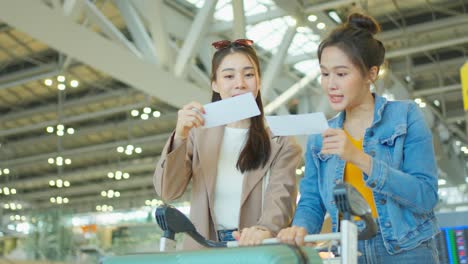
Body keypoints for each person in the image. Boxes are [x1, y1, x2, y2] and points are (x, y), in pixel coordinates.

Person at [277, 13, 439, 263]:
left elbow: (425, 197)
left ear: (371, 74)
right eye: (324, 73)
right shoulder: (320, 138)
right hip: (349, 251)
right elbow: (311, 202)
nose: (330, 84)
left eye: (341, 74)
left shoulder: (405, 117)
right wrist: (300, 227)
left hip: (406, 250)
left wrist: (359, 158)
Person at [153, 39, 302, 250]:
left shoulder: (281, 140)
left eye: (249, 75)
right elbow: (168, 191)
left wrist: (264, 229)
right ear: (215, 84)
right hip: (203, 249)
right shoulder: (197, 134)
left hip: (256, 247)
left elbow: (281, 197)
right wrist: (180, 135)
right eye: (229, 76)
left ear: (259, 82)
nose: (240, 83)